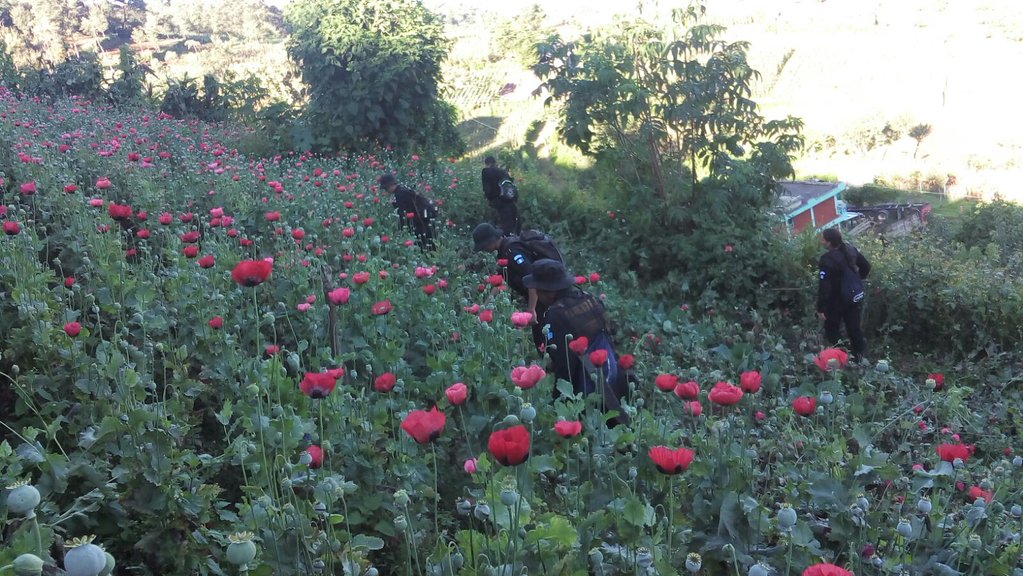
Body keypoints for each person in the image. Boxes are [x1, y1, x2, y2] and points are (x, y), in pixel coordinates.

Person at [523, 259, 629, 423]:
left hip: (589, 393)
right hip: (612, 380)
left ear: (549, 291)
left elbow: (565, 364)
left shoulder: (556, 314)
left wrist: (559, 402)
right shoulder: (589, 298)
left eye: (538, 290)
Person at [473, 222, 563, 348]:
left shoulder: (512, 251)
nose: (484, 250)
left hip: (544, 296)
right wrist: (485, 306)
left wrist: (532, 309)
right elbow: (500, 281)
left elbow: (532, 279)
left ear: (490, 241)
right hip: (539, 296)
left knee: (544, 337)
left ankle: (555, 356)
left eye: (483, 247)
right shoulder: (504, 250)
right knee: (541, 337)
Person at [817, 227, 871, 361]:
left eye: (823, 239)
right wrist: (857, 280)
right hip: (853, 297)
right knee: (854, 329)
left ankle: (843, 356)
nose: (821, 241)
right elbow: (866, 266)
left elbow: (824, 286)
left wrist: (821, 308)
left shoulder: (827, 259)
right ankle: (859, 358)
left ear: (829, 242)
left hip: (836, 300)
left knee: (831, 330)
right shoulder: (851, 249)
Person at [382, 173, 437, 250]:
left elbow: (403, 214)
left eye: (385, 188)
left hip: (420, 223)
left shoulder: (400, 194)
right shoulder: (404, 189)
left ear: (390, 186)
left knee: (424, 246)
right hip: (426, 219)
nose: (386, 191)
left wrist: (400, 231)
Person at [480, 156, 520, 235]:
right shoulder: (502, 172)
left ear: (486, 163)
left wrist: (490, 199)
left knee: (503, 223)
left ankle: (504, 238)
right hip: (509, 199)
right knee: (512, 222)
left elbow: (487, 188)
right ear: (495, 162)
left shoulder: (485, 171)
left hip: (498, 200)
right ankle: (515, 237)